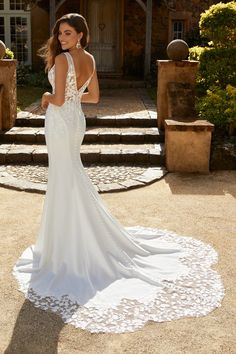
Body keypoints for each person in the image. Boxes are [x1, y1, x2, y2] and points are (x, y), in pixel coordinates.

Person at [13, 13, 224, 334]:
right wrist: (69, 98)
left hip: (60, 122)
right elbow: (94, 97)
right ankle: (74, 237)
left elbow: (55, 99)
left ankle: (65, 245)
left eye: (68, 33)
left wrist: (46, 97)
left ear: (82, 34)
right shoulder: (90, 59)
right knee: (70, 177)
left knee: (64, 178)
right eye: (61, 34)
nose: (63, 38)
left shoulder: (63, 60)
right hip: (76, 121)